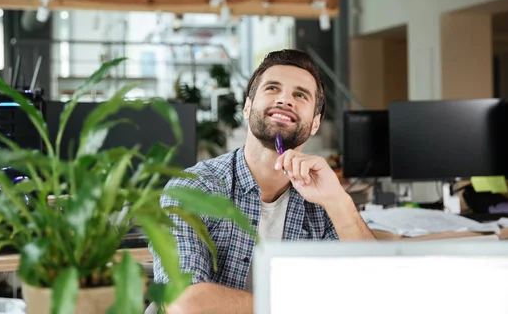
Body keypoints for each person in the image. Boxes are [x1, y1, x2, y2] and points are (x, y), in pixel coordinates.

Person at [151, 49, 375, 314]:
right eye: (272, 88)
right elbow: (185, 303)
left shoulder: (323, 202)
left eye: (300, 95)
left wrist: (338, 200)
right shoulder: (193, 189)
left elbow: (373, 286)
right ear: (247, 107)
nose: (284, 99)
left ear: (315, 124)